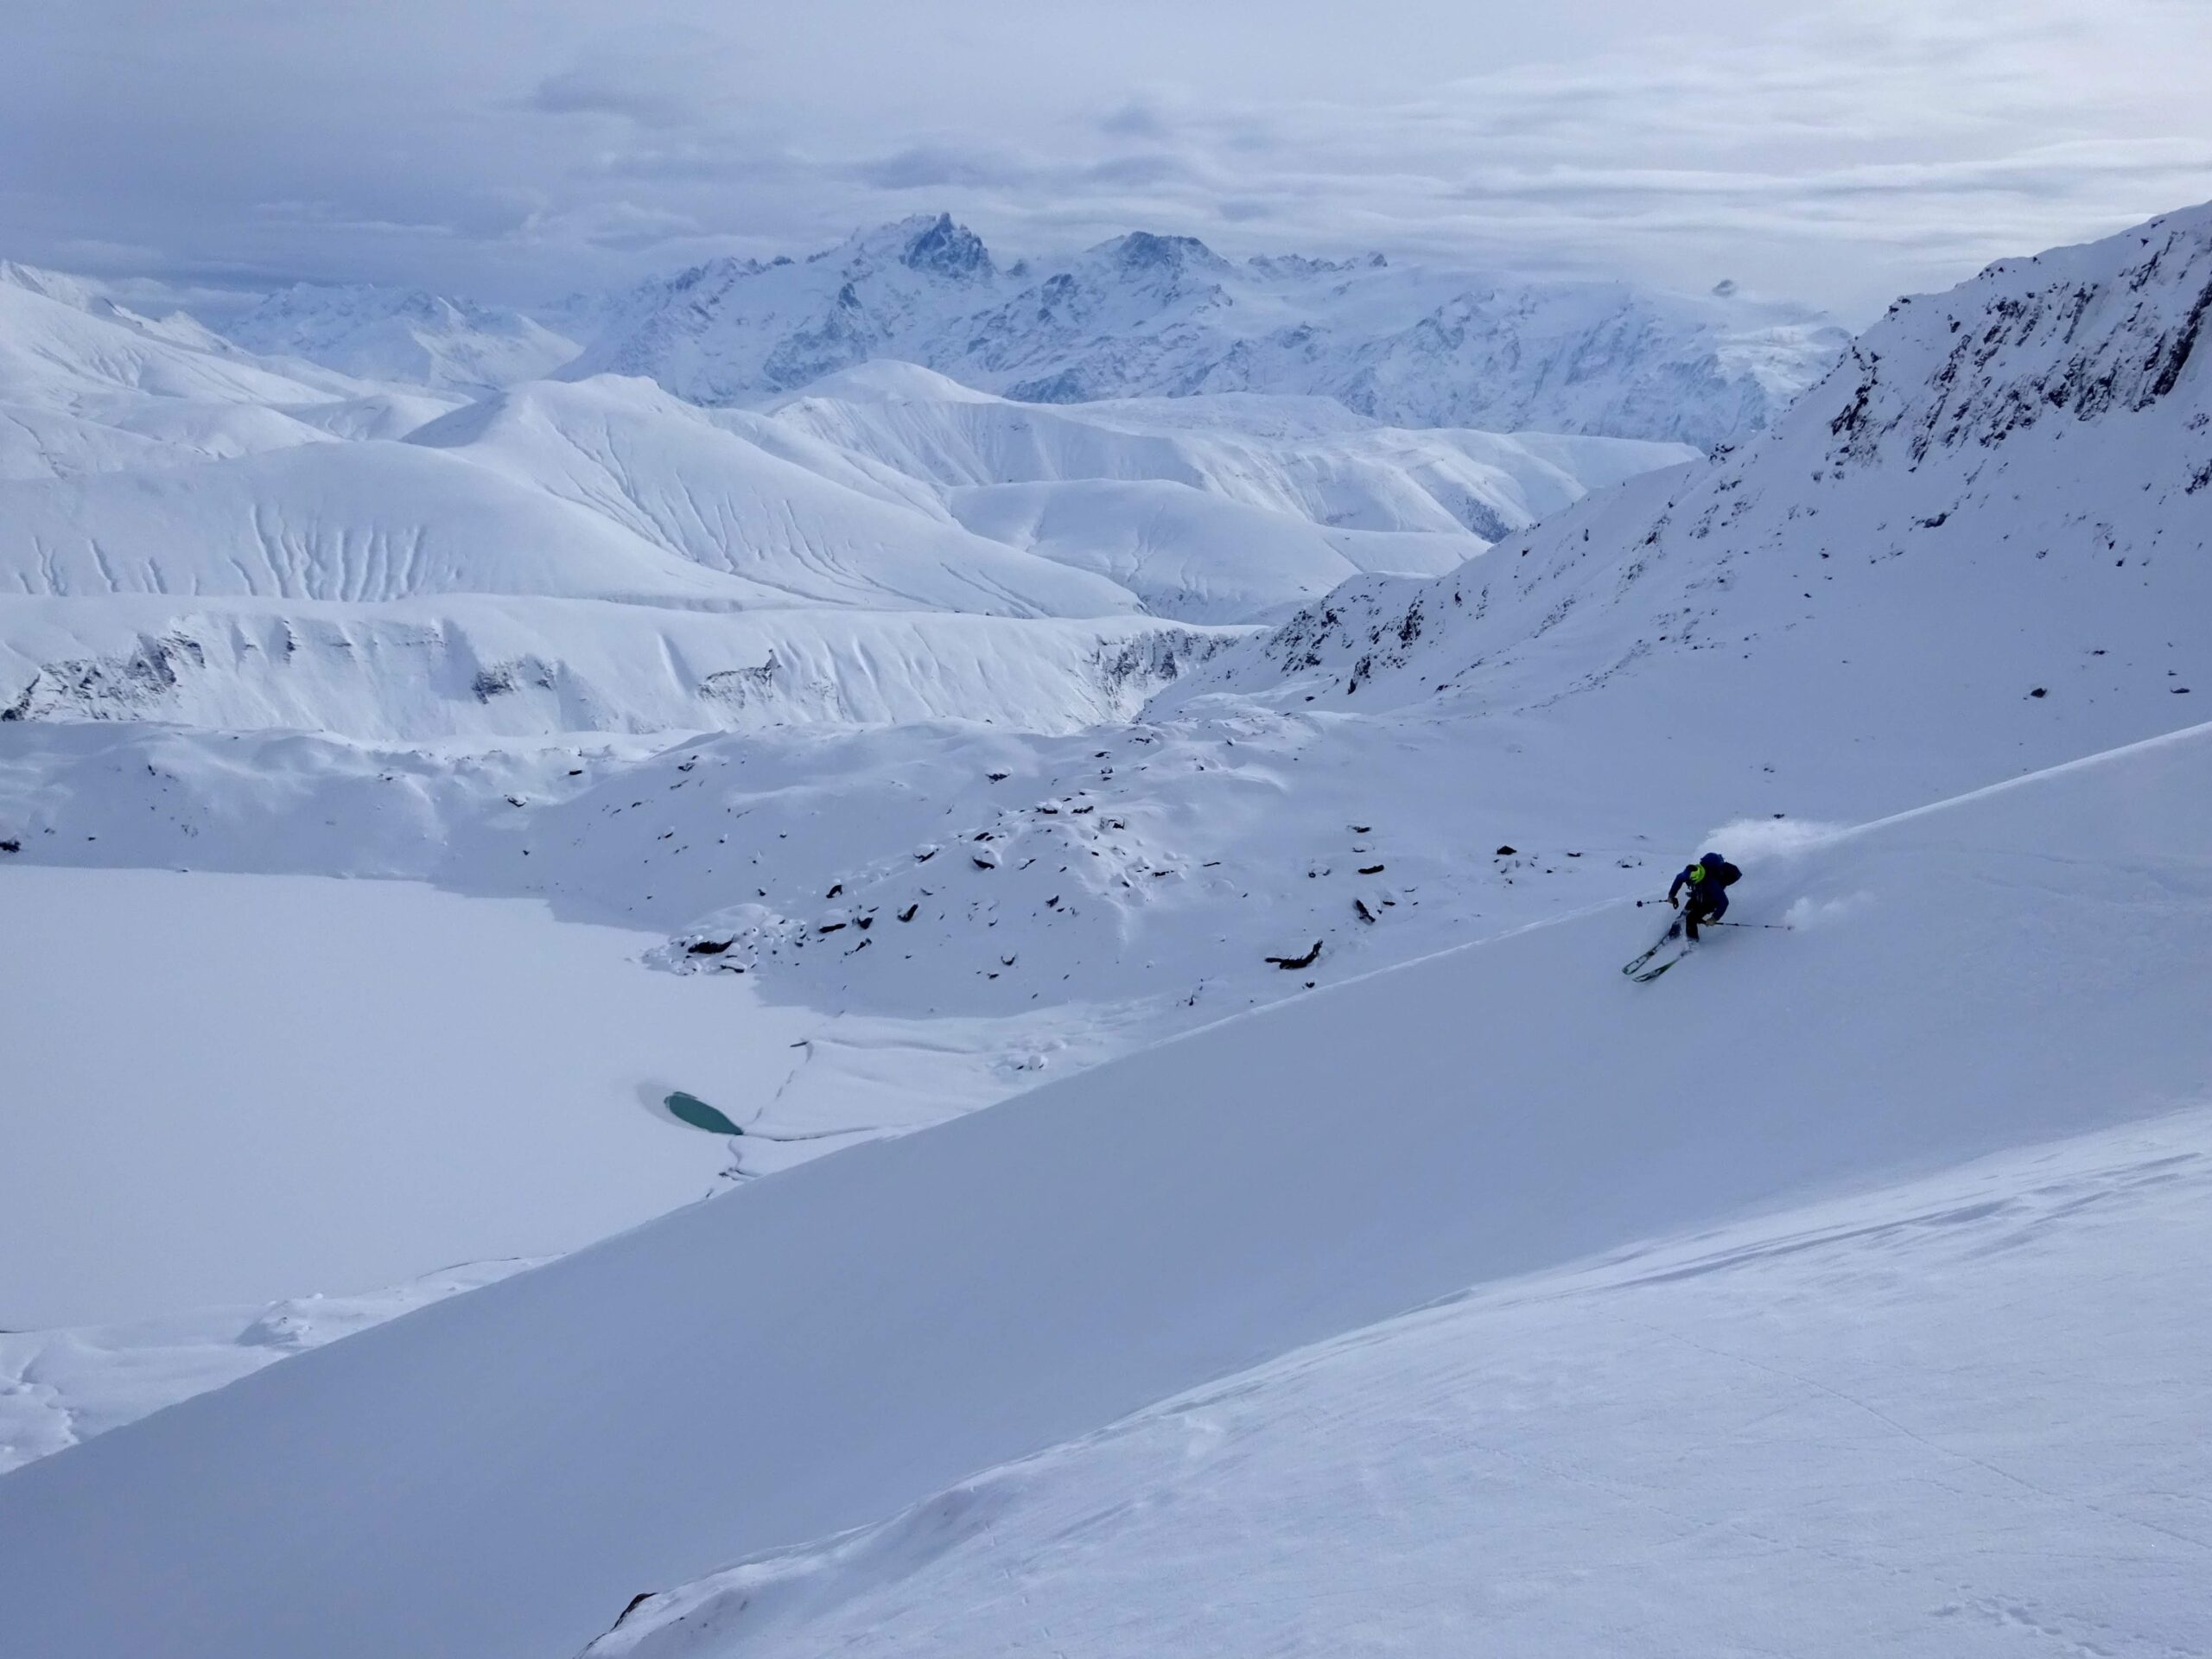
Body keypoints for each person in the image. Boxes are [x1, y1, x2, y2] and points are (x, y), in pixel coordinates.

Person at [1669, 851, 1741, 941]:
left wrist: (1714, 918)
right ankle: (1674, 932)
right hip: (1698, 895)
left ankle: (1692, 942)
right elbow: (1678, 879)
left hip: (1710, 902)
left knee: (1691, 918)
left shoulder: (1712, 884)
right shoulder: (1689, 872)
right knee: (1684, 913)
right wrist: (1671, 895)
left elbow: (1724, 902)